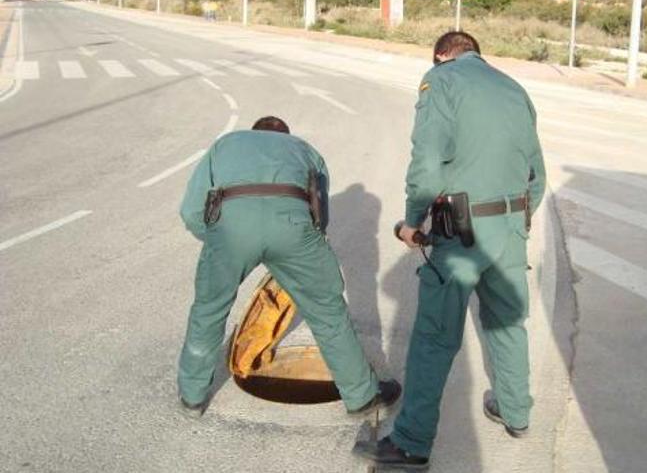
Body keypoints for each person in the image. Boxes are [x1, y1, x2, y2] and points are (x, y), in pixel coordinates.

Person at [353, 32, 546, 469]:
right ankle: (516, 412)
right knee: (507, 323)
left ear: (441, 55)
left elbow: (426, 161)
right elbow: (537, 173)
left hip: (461, 231)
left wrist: (412, 219)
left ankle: (410, 444)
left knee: (434, 336)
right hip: (511, 227)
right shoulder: (515, 88)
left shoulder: (440, 81)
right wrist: (517, 220)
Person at [176, 115, 400, 417]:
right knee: (326, 310)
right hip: (294, 228)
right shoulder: (304, 149)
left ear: (255, 132)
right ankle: (361, 396)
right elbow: (320, 214)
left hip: (231, 229)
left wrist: (218, 239)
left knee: (208, 309)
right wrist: (299, 251)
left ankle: (192, 397)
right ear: (285, 135)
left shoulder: (226, 144)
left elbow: (190, 210)